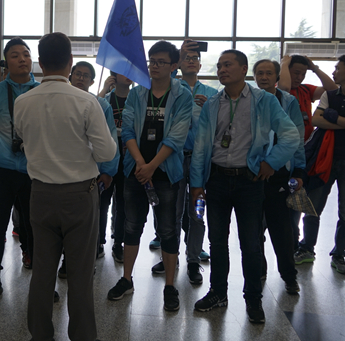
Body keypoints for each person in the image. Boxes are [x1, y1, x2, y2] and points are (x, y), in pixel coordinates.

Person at [15, 32, 116, 341]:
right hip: (79, 196)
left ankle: (40, 334)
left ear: (40, 62)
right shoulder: (86, 101)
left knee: (42, 271)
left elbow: (24, 138)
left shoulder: (22, 101)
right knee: (80, 274)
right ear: (71, 63)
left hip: (40, 194)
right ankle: (83, 335)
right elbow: (107, 153)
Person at [190, 50, 299, 324]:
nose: (221, 70)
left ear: (243, 69)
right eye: (219, 66)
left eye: (228, 65)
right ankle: (218, 293)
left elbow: (290, 135)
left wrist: (271, 162)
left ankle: (253, 299)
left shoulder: (263, 101)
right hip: (216, 179)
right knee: (217, 241)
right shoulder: (213, 103)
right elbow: (201, 146)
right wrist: (196, 183)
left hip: (249, 181)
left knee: (251, 243)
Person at [106, 40, 193, 313]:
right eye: (151, 61)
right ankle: (126, 279)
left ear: (174, 65)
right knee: (131, 225)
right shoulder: (137, 93)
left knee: (167, 229)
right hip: (136, 170)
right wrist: (141, 164)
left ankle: (170, 286)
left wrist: (152, 166)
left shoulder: (182, 95)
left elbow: (177, 137)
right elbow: (128, 130)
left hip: (165, 171)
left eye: (160, 62)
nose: (154, 66)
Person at [294, 54, 345, 275]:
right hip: (325, 158)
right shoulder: (329, 95)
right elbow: (316, 120)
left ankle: (339, 255)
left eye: (337, 68)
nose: (334, 72)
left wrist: (333, 117)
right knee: (313, 208)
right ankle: (307, 249)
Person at [0, 37, 39, 306]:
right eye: (15, 55)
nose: (22, 59)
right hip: (1, 171)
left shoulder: (41, 92)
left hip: (33, 172)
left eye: (26, 54)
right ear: (6, 62)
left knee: (36, 228)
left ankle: (41, 283)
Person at [159, 40, 218, 284]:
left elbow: (219, 125)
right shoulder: (172, 88)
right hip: (173, 157)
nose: (191, 61)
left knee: (197, 212)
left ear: (200, 65)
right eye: (186, 58)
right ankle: (169, 257)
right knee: (171, 212)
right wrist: (179, 52)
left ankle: (193, 260)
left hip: (199, 161)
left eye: (195, 58)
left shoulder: (212, 94)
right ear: (179, 64)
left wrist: (210, 110)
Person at [57, 61, 118, 277]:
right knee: (65, 221)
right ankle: (66, 260)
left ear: (92, 82)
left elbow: (111, 138)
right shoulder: (60, 102)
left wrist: (108, 171)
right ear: (70, 76)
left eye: (86, 76)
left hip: (93, 174)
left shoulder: (101, 105)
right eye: (78, 74)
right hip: (63, 173)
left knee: (92, 220)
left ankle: (89, 258)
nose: (81, 78)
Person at [252, 59, 305, 295]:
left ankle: (289, 276)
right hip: (254, 172)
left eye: (268, 73)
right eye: (259, 73)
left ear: (277, 77)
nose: (264, 77)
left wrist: (299, 171)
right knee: (254, 229)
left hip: (280, 173)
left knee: (283, 230)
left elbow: (296, 136)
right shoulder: (250, 99)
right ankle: (259, 270)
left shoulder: (289, 101)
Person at [97, 71, 133, 262]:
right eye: (123, 71)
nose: (128, 75)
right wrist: (104, 89)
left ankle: (118, 242)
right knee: (102, 202)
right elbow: (93, 108)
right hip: (108, 153)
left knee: (123, 203)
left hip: (129, 153)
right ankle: (98, 241)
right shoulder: (106, 99)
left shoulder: (136, 98)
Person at [278, 55, 339, 141]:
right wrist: (284, 64)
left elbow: (333, 90)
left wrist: (315, 69)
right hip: (286, 142)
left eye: (303, 74)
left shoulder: (305, 89)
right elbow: (285, 88)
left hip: (307, 142)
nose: (300, 78)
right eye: (296, 73)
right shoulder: (277, 90)